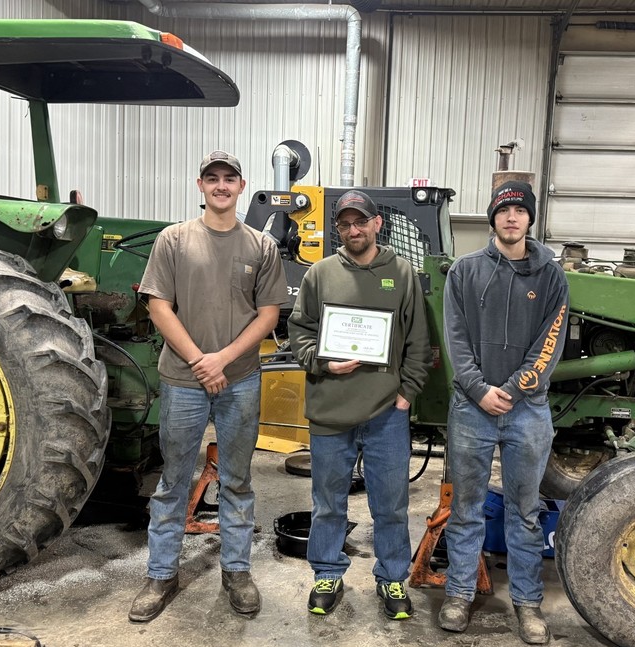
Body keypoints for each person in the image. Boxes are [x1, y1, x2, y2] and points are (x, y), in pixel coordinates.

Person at [129, 150, 288, 622]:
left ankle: (236, 572)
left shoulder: (261, 247)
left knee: (238, 480)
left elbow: (269, 315)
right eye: (212, 178)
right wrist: (201, 361)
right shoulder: (174, 240)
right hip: (183, 380)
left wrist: (223, 359)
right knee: (174, 480)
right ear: (200, 186)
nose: (221, 186)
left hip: (240, 379)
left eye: (230, 179)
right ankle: (161, 574)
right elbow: (158, 306)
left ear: (242, 187)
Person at [287, 190, 432, 620]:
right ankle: (327, 573)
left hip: (387, 411)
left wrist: (407, 393)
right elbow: (299, 334)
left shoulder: (401, 273)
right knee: (328, 501)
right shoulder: (321, 274)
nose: (353, 230)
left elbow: (419, 343)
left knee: (390, 503)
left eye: (360, 222)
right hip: (331, 409)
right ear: (339, 230)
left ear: (376, 224)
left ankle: (391, 579)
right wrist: (322, 361)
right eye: (345, 224)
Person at [438, 180, 569, 643]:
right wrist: (478, 389)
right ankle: (458, 594)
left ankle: (528, 605)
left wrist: (511, 390)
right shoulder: (465, 271)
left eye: (520, 210)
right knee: (467, 508)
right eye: (503, 209)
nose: (511, 217)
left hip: (527, 410)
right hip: (472, 408)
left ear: (530, 218)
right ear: (492, 218)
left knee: (525, 510)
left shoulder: (552, 276)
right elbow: (454, 338)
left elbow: (548, 345)